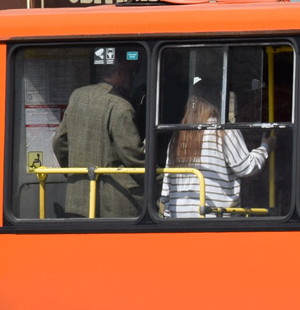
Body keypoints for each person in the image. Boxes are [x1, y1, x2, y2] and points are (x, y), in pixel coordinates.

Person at [162, 81, 273, 216]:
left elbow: (166, 186)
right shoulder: (223, 130)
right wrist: (265, 146)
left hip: (178, 217)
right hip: (213, 215)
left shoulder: (178, 135)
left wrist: (168, 216)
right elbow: (245, 167)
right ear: (218, 102)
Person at [51, 59, 145, 218]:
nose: (133, 78)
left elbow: (59, 142)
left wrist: (76, 174)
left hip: (77, 200)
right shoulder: (120, 107)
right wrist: (159, 180)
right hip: (114, 204)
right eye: (131, 72)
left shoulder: (77, 96)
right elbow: (132, 156)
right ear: (120, 72)